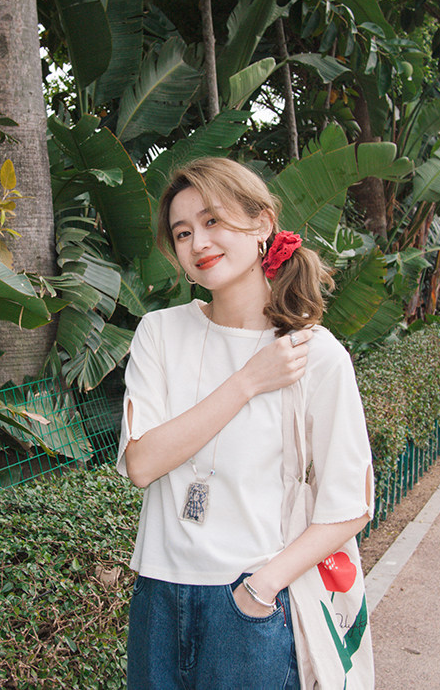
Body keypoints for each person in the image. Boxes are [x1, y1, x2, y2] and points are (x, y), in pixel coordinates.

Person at [116, 157, 375, 689]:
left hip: (251, 604)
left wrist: (261, 589)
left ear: (261, 225)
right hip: (158, 597)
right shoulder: (159, 333)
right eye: (182, 232)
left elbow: (349, 505)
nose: (198, 242)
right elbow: (141, 464)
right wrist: (247, 381)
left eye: (212, 221)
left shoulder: (313, 354)